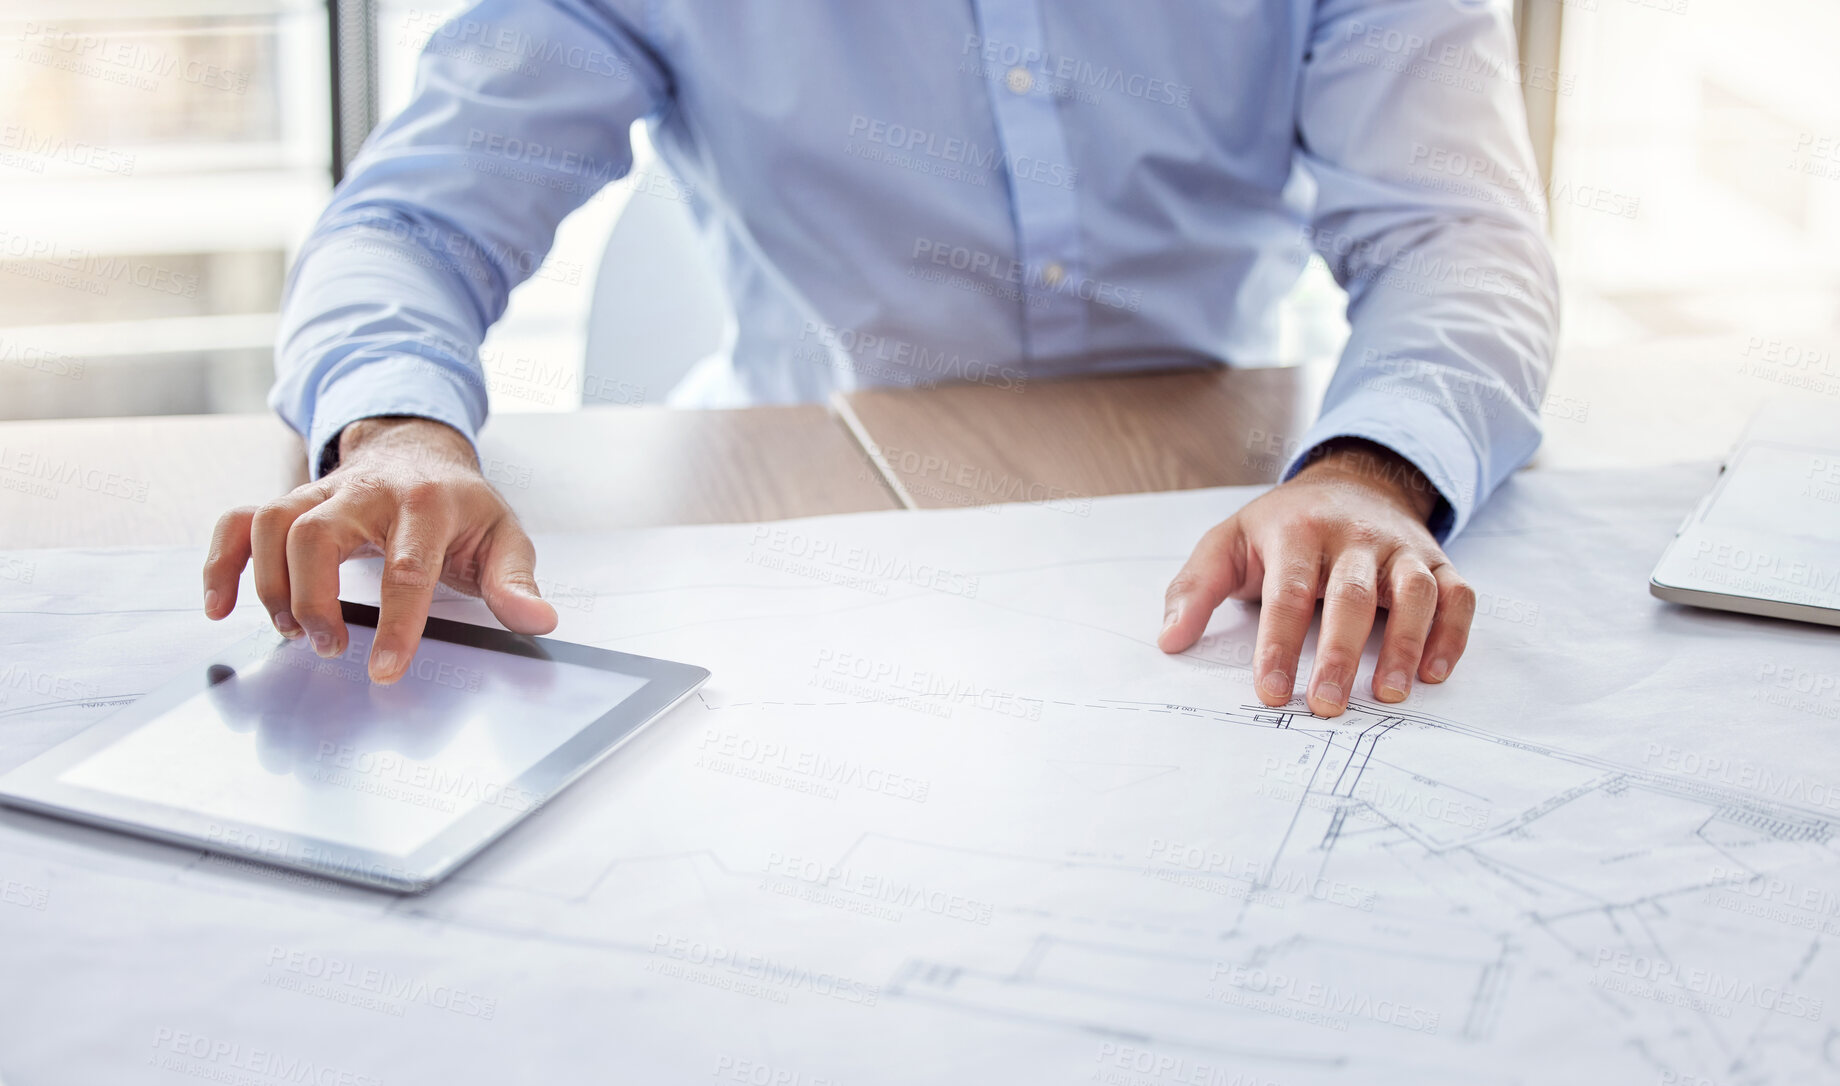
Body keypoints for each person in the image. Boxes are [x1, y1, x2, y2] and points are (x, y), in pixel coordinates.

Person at [201, 0, 1557, 719]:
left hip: (1229, 513)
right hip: (806, 558)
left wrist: (1373, 472)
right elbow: (407, 225)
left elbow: (1461, 233)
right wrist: (395, 432)